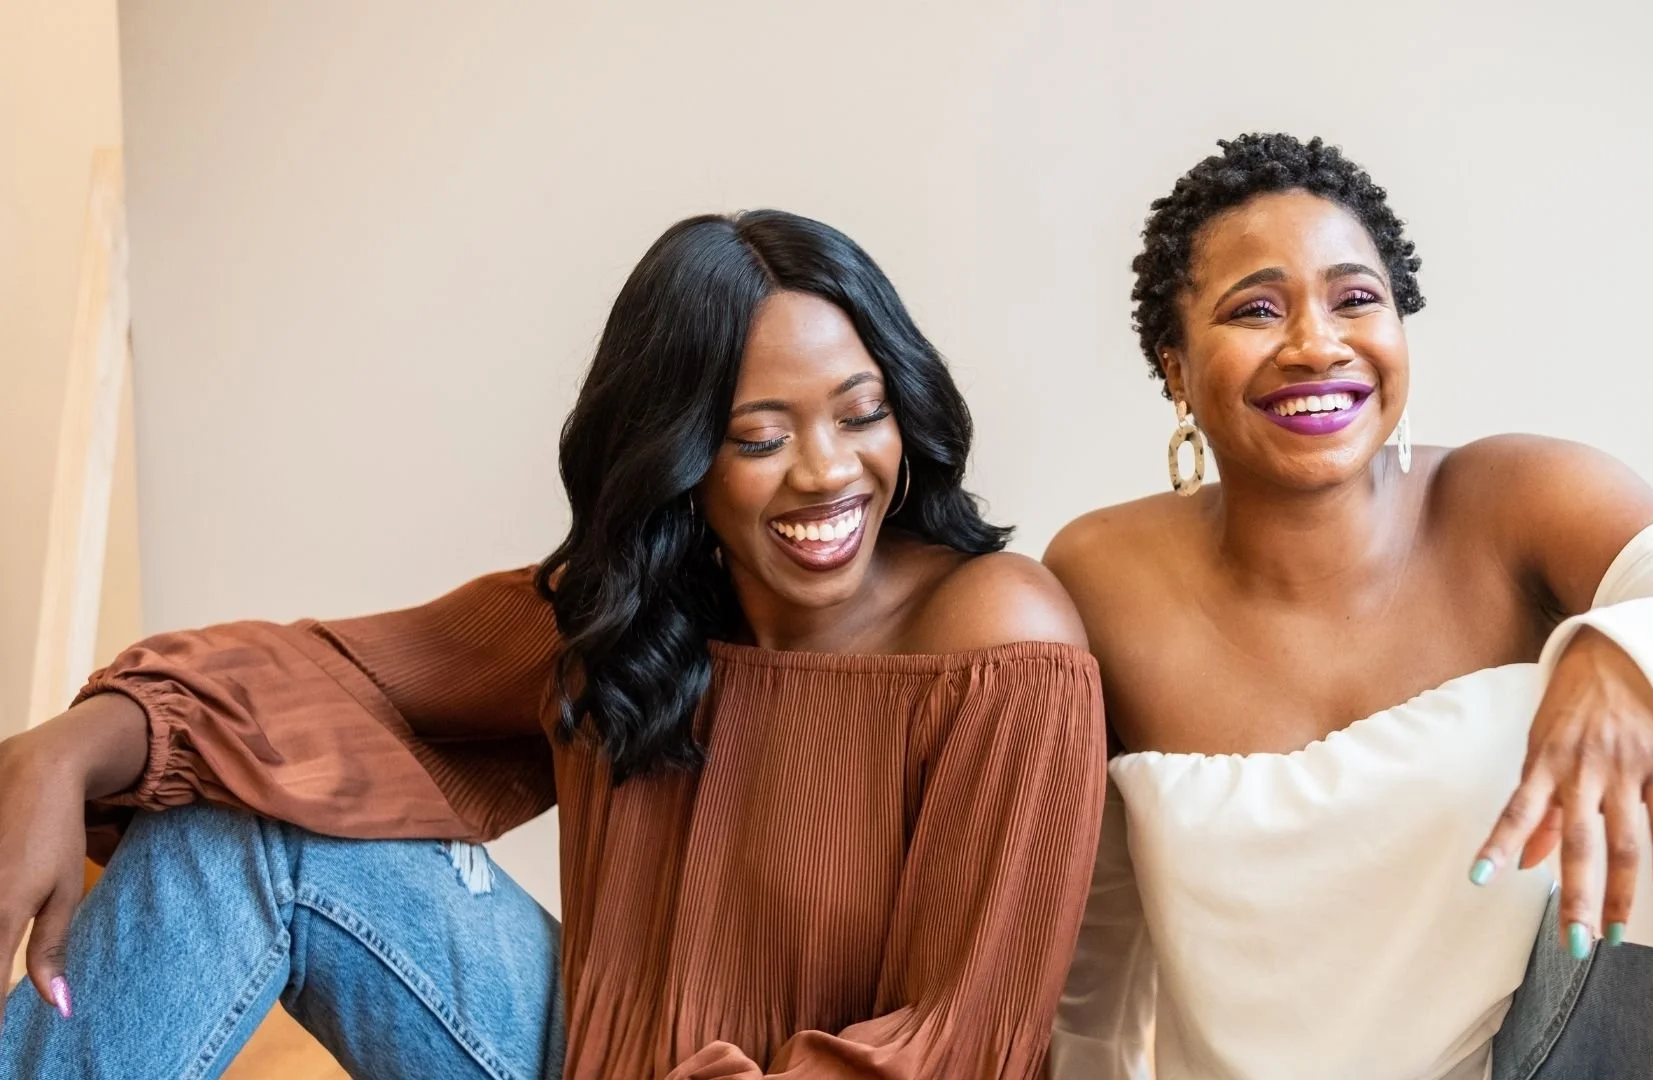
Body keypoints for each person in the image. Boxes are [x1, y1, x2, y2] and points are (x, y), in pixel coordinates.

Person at [0, 209, 1108, 1079]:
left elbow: (963, 1047)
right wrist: (65, 750)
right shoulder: (641, 606)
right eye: (758, 437)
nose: (826, 471)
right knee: (238, 824)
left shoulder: (999, 640)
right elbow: (333, 674)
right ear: (679, 459)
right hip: (592, 1055)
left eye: (862, 415)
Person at [1047, 133, 1653, 1079]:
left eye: (1356, 299)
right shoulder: (1102, 576)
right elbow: (1087, 929)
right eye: (1257, 309)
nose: (1316, 343)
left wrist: (1629, 655)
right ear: (1175, 370)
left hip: (1560, 1052)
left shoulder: (1518, 495)